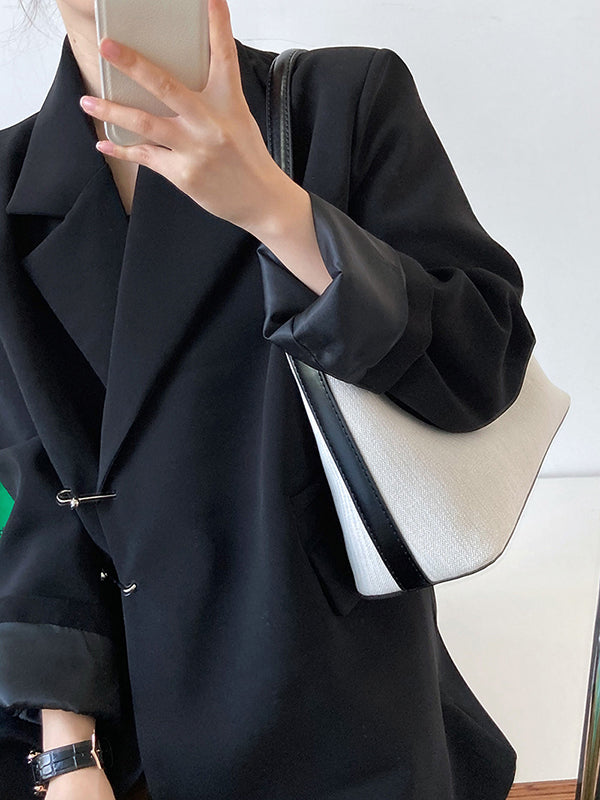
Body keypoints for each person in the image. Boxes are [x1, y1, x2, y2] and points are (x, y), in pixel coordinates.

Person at [0, 0, 537, 797]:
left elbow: (478, 371)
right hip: (123, 743)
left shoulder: (341, 102)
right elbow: (30, 488)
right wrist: (67, 750)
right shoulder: (11, 187)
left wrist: (274, 210)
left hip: (345, 713)